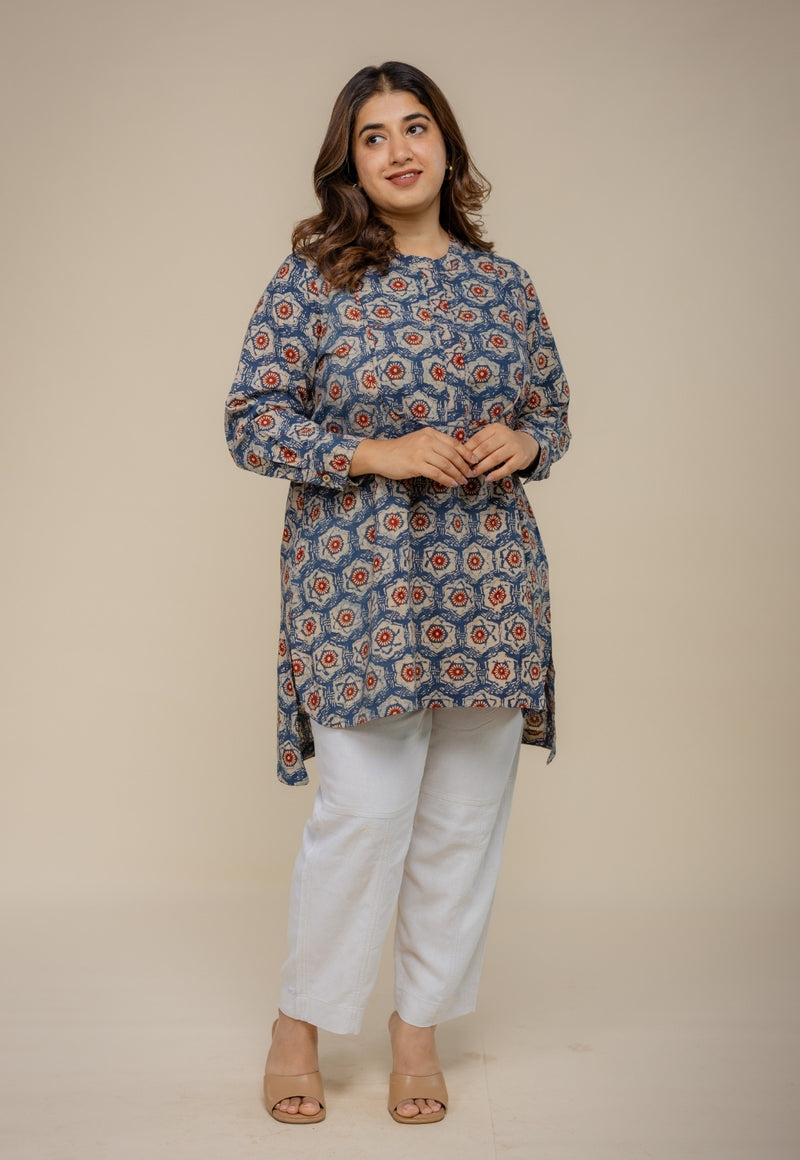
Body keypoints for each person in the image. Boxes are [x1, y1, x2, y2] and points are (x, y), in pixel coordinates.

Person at [225, 60, 571, 1125]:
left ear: (446, 144)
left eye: (414, 126)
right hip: (361, 581)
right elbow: (252, 421)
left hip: (487, 580)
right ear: (351, 164)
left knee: (463, 822)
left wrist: (526, 441)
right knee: (362, 814)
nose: (397, 150)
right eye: (371, 137)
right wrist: (379, 451)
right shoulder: (312, 280)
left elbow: (551, 410)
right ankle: (299, 1022)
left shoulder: (503, 284)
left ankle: (416, 1028)